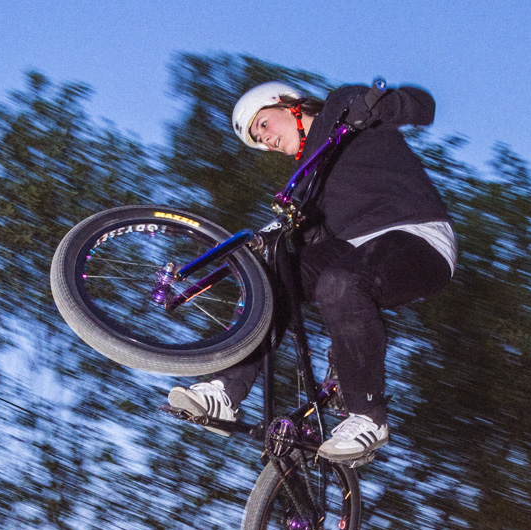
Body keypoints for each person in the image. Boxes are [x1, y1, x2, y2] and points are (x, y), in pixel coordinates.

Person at [166, 80, 454, 464]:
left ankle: (368, 415)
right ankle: (225, 391)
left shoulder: (343, 108)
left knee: (340, 283)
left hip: (417, 236)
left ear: (289, 105)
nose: (266, 140)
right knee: (270, 275)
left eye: (264, 125)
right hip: (353, 248)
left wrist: (379, 106)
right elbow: (308, 248)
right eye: (258, 138)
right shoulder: (305, 181)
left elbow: (423, 106)